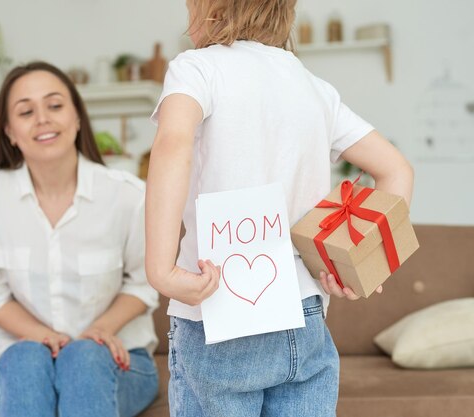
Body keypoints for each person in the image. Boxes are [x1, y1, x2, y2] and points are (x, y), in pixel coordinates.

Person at [144, 1, 414, 416]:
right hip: (304, 311)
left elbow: (172, 144)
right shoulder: (313, 87)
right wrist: (363, 266)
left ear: (209, 8)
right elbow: (396, 169)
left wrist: (160, 268)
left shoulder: (196, 68)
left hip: (217, 303)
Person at [0, 61, 159, 417]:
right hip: (22, 363)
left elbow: (145, 285)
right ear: (9, 131)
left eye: (55, 105)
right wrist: (46, 337)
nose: (43, 119)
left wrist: (96, 332)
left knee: (83, 359)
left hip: (117, 357)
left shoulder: (128, 195)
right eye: (26, 111)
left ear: (78, 118)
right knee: (24, 356)